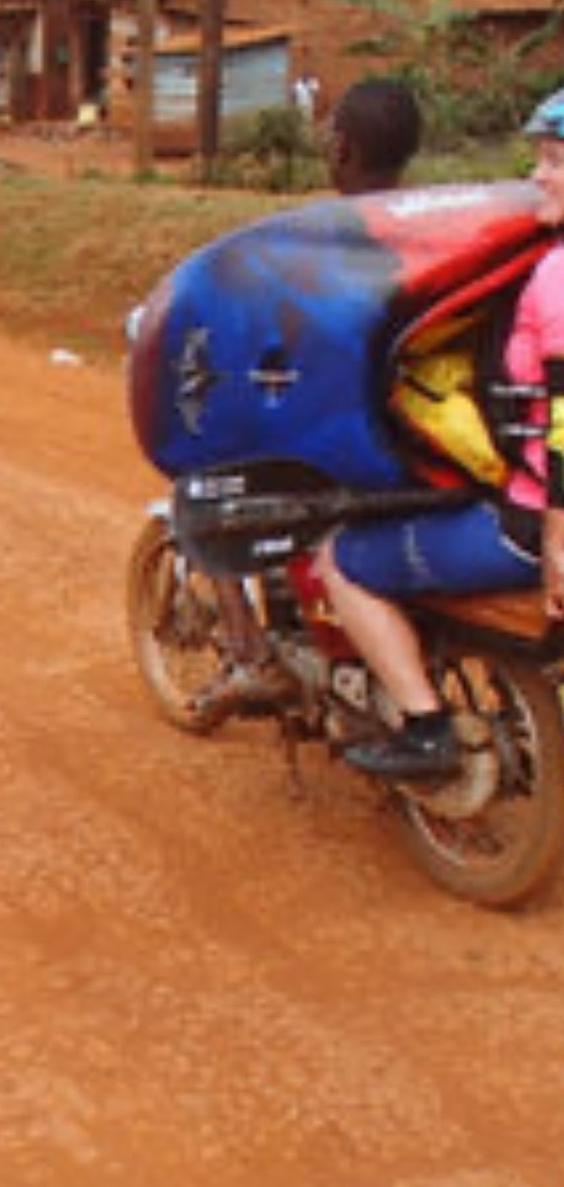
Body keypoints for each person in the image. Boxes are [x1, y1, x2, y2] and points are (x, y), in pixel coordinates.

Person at [312, 84, 564, 783]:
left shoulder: (557, 277)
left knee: (346, 562)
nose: (535, 176)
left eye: (553, 160)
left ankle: (427, 728)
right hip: (531, 503)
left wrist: (555, 536)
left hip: (528, 523)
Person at [193, 77, 425, 718]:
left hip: (342, 451)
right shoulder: (436, 229)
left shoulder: (313, 242)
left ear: (341, 148)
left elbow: (267, 337)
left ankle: (253, 658)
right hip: (422, 441)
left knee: (213, 494)